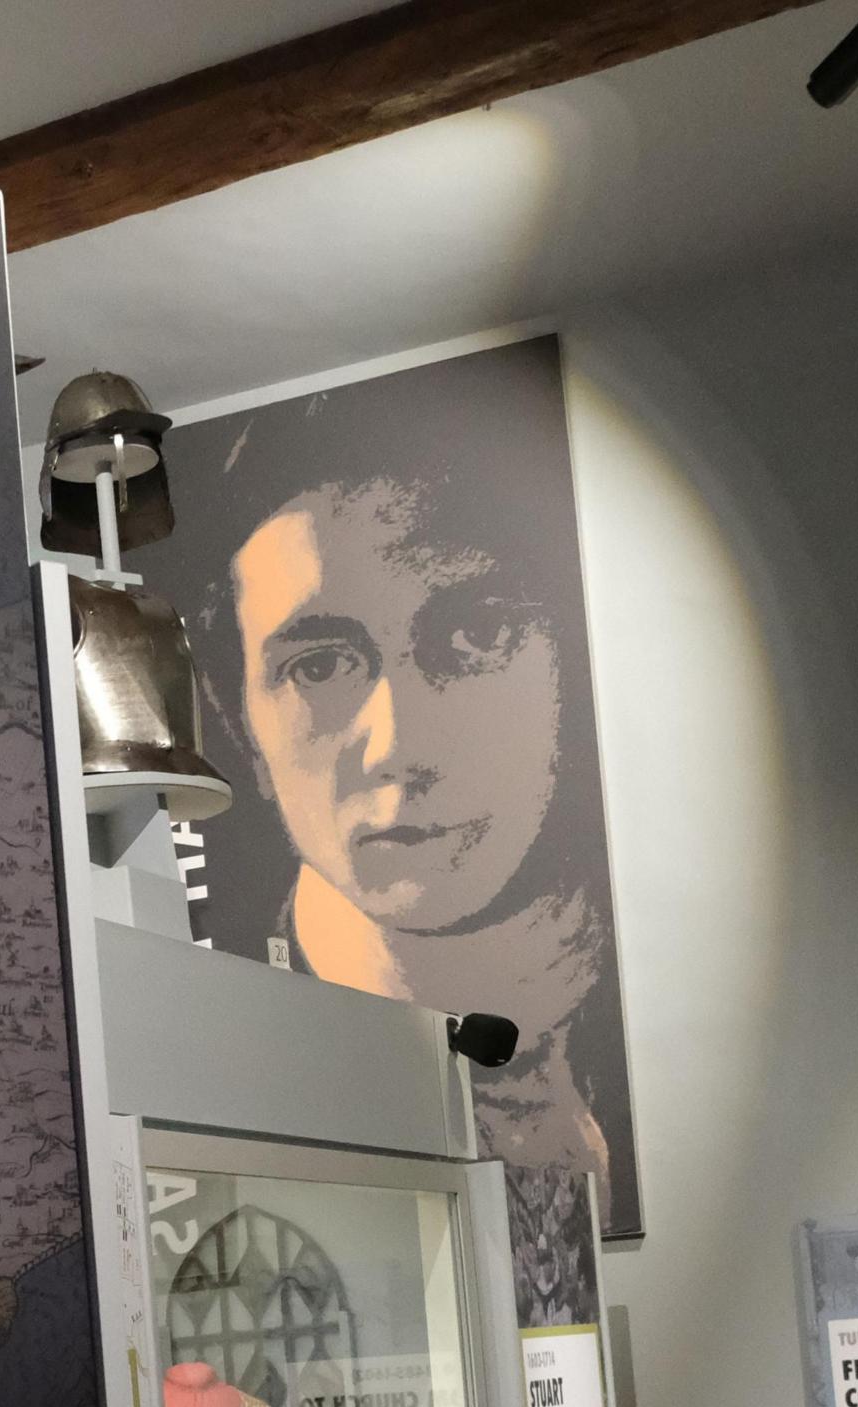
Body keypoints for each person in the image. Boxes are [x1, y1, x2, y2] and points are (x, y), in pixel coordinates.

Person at [175, 348, 635, 1223]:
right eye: (320, 664)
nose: (400, 745)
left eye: (475, 637)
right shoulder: (232, 1084)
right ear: (237, 721)